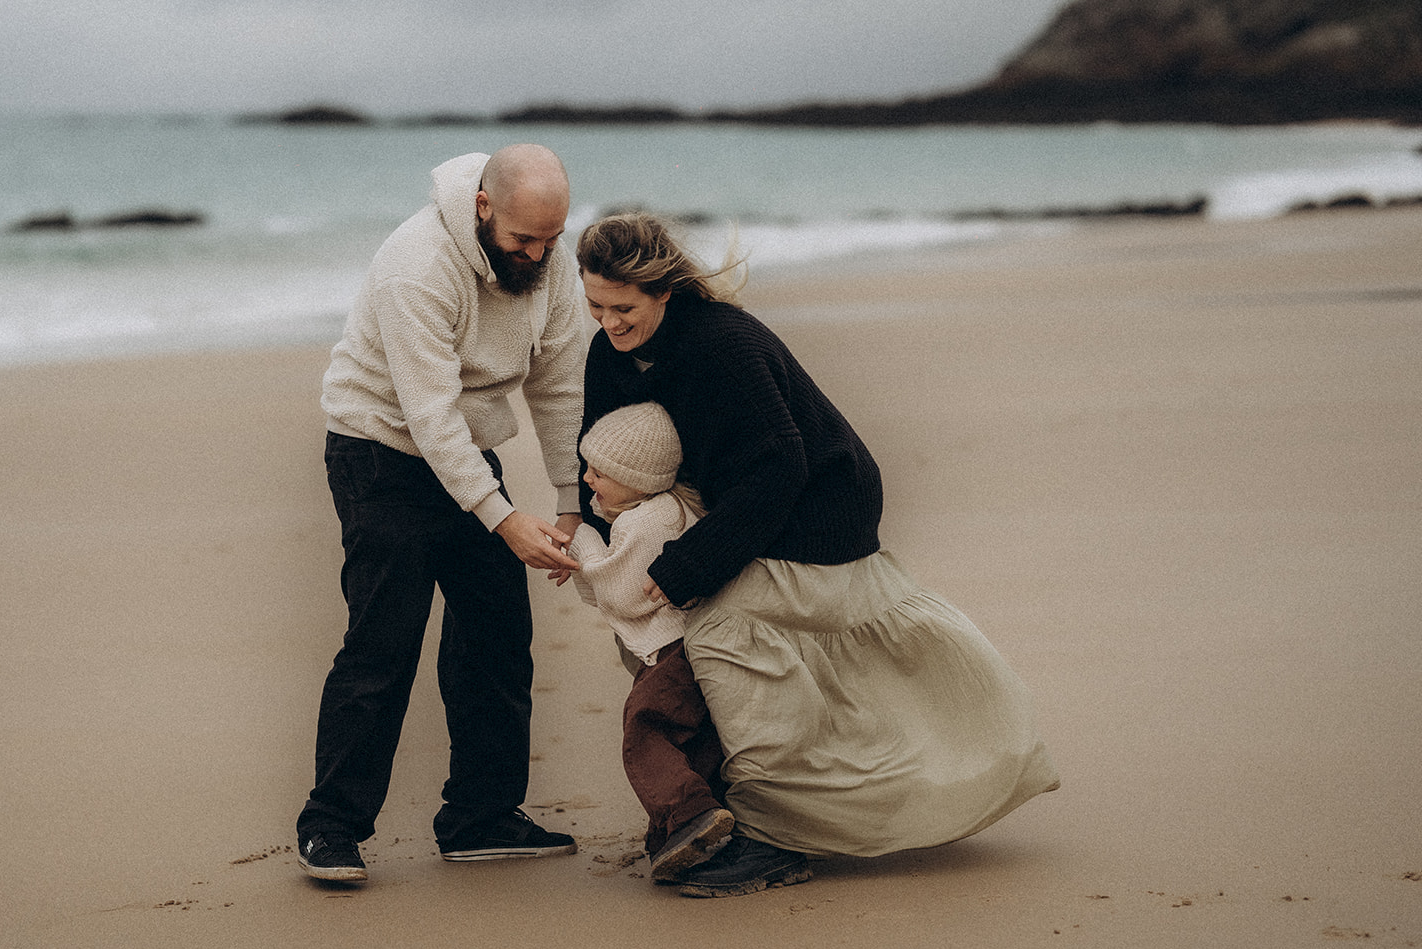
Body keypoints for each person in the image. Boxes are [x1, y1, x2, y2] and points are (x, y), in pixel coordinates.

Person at [576, 212, 1060, 898]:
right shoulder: (608, 353)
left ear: (664, 291)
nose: (608, 323)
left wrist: (692, 564)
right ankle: (706, 810)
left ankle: (773, 836)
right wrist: (590, 534)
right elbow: (594, 444)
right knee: (664, 634)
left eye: (622, 308)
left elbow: (780, 467)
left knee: (719, 631)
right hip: (729, 507)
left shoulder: (724, 345)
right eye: (595, 306)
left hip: (821, 512)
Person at [296, 144, 588, 883]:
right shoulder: (418, 265)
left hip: (466, 452)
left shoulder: (546, 261)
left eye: (551, 238)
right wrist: (504, 519)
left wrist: (570, 501)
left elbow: (558, 382)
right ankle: (330, 827)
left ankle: (480, 818)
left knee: (498, 635)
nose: (539, 255)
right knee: (384, 643)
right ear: (484, 207)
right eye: (524, 239)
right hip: (379, 451)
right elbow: (428, 416)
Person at [565, 402, 737, 884]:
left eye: (599, 473)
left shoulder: (644, 522)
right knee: (693, 742)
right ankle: (676, 838)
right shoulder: (672, 509)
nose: (587, 478)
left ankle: (690, 815)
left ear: (637, 480)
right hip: (700, 647)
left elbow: (621, 595)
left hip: (671, 654)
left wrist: (581, 541)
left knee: (646, 731)